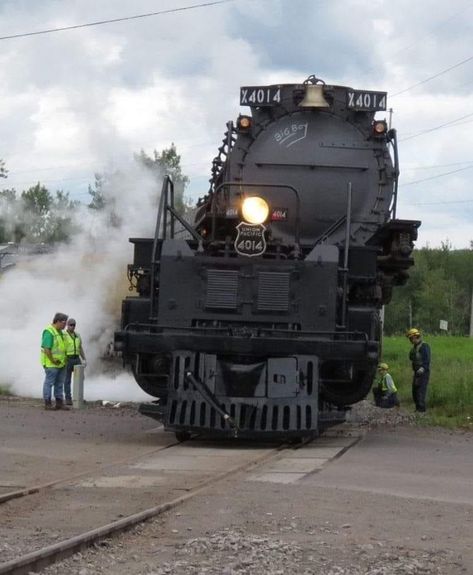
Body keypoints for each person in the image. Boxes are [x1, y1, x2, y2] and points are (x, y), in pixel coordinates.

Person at [41, 312, 69, 410]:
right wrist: (52, 360)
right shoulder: (49, 331)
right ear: (57, 321)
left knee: (59, 383)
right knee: (49, 383)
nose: (65, 325)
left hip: (61, 363)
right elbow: (47, 349)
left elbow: (62, 348)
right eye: (64, 323)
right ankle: (47, 403)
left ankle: (59, 403)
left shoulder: (60, 332)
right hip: (51, 364)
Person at [406, 327, 431, 413]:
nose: (410, 340)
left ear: (415, 337)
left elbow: (427, 360)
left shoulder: (424, 346)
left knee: (421, 391)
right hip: (417, 373)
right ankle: (417, 409)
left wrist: (423, 368)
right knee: (415, 391)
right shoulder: (414, 348)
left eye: (410, 338)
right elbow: (411, 358)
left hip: (423, 373)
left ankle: (421, 410)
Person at [63, 318, 86, 405]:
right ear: (67, 325)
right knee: (67, 380)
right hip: (68, 359)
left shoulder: (77, 335)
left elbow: (80, 348)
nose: (73, 326)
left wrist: (84, 359)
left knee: (81, 378)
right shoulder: (63, 335)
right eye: (71, 325)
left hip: (77, 359)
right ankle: (68, 398)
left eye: (74, 325)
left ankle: (78, 397)